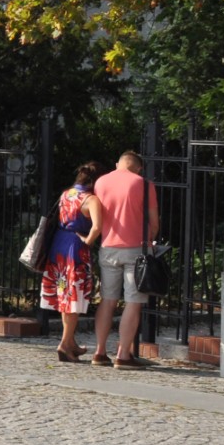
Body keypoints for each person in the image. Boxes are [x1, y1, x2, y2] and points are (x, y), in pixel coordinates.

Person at [91, 151, 160, 369]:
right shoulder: (143, 184)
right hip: (135, 249)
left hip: (108, 247)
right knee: (133, 301)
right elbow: (154, 221)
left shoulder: (101, 182)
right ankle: (123, 354)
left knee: (107, 300)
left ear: (117, 164)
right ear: (138, 168)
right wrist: (150, 239)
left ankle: (100, 351)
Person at [43, 162, 105, 362]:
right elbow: (97, 227)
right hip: (75, 249)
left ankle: (70, 342)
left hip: (58, 246)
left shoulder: (67, 194)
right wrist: (88, 240)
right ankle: (64, 342)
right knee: (74, 297)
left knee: (65, 296)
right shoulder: (91, 199)